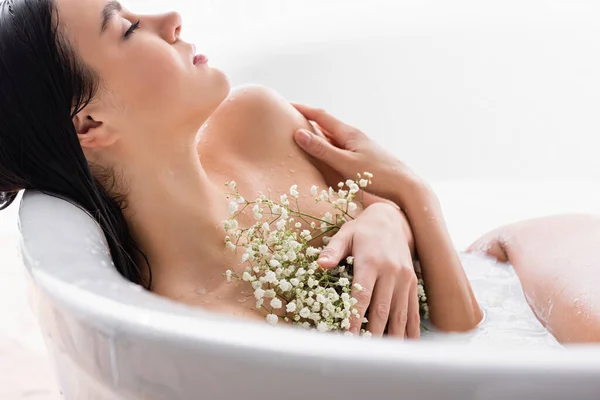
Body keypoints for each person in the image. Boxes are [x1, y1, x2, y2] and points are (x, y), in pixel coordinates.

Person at [0, 0, 596, 343]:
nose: (170, 17)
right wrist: (409, 195)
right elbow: (460, 343)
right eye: (127, 29)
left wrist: (392, 211)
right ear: (88, 126)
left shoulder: (255, 121)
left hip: (514, 258)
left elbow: (473, 323)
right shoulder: (205, 320)